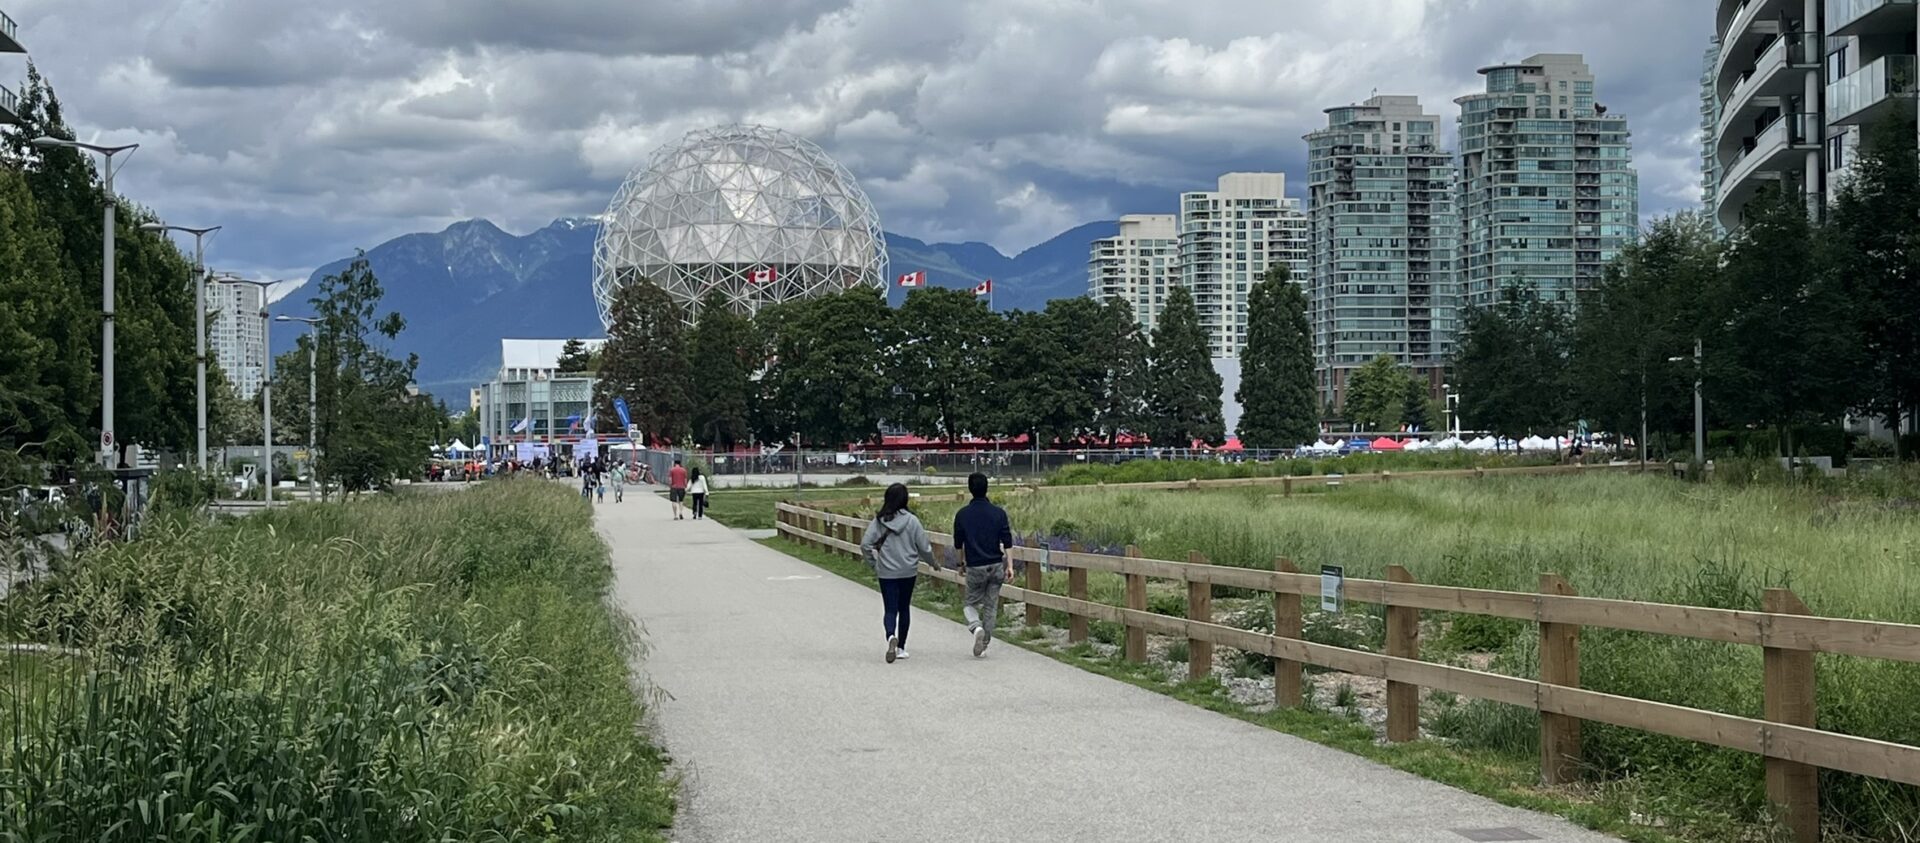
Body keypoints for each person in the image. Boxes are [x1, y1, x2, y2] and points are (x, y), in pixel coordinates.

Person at [861, 483, 933, 663]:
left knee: (890, 609)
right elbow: (924, 547)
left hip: (887, 571)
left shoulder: (879, 521)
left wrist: (874, 564)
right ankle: (901, 648)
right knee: (904, 607)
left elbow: (865, 545)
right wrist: (933, 563)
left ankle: (890, 635)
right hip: (908, 571)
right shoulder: (912, 520)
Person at [952, 472, 1014, 657]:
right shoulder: (999, 513)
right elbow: (1007, 541)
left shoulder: (963, 515)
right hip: (995, 564)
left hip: (975, 565)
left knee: (970, 604)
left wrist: (960, 564)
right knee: (991, 606)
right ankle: (984, 643)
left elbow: (958, 543)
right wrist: (1009, 566)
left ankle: (976, 627)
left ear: (970, 489)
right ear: (987, 488)